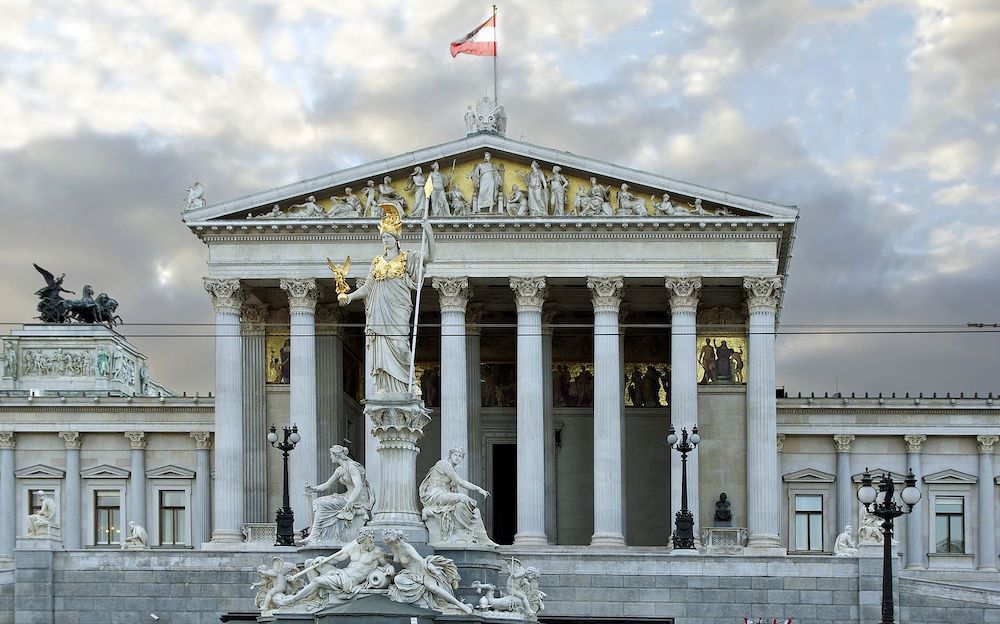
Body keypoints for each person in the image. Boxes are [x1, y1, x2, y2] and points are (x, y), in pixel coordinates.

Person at [339, 205, 435, 395]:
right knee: (381, 348)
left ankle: (409, 383)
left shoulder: (407, 258)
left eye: (388, 237)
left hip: (398, 309)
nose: (385, 240)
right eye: (383, 237)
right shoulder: (377, 262)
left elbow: (429, 257)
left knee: (401, 346)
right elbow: (368, 288)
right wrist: (349, 297)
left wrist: (429, 232)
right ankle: (383, 386)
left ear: (396, 239)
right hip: (379, 311)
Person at [277, 528, 389, 608]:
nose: (366, 543)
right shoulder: (354, 547)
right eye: (364, 540)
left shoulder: (377, 552)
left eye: (369, 539)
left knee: (317, 581)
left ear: (372, 539)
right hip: (341, 573)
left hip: (349, 581)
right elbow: (337, 559)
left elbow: (387, 565)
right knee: (310, 563)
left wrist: (390, 570)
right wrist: (322, 558)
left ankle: (292, 600)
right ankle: (315, 595)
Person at [382, 529, 473, 614]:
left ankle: (460, 604)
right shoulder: (393, 547)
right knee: (397, 579)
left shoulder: (407, 548)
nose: (387, 545)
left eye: (388, 543)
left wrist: (430, 567)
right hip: (409, 572)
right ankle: (417, 594)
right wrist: (387, 564)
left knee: (432, 587)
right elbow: (395, 557)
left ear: (393, 541)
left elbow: (421, 560)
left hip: (421, 570)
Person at [419, 448, 496, 546]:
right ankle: (462, 532)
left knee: (471, 509)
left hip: (443, 494)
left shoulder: (451, 469)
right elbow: (460, 482)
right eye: (455, 455)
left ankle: (482, 538)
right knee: (464, 499)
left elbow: (455, 489)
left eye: (460, 456)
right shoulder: (444, 464)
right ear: (450, 455)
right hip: (435, 494)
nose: (457, 458)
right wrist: (478, 489)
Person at [302, 445, 373, 545]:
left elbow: (358, 486)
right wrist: (312, 489)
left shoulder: (352, 467)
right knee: (317, 501)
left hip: (355, 500)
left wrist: (350, 502)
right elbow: (327, 485)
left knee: (322, 504)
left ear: (337, 455)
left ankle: (314, 536)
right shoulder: (339, 470)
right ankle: (316, 535)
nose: (330, 457)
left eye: (331, 454)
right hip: (346, 496)